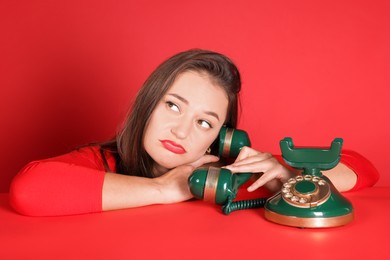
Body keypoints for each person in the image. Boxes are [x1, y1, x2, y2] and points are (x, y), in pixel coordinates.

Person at [9, 49, 379, 216]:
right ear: (147, 104)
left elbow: (362, 167)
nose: (182, 130)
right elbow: (28, 190)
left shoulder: (230, 174)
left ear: (221, 137)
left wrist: (287, 176)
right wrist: (168, 187)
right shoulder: (102, 161)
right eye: (172, 105)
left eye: (205, 122)